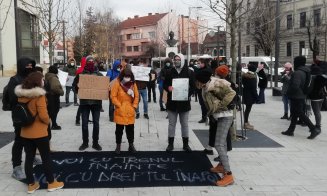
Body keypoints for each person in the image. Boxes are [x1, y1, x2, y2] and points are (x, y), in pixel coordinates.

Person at [15, 72, 64, 193]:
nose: (44, 81)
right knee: (46, 157)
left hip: (25, 132)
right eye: (42, 80)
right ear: (37, 82)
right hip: (39, 133)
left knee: (29, 158)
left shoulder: (21, 95)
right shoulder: (39, 96)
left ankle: (31, 184)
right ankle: (51, 182)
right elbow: (43, 115)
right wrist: (49, 122)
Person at [195, 68, 236, 187]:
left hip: (225, 116)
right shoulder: (205, 86)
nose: (196, 82)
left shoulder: (215, 84)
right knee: (218, 142)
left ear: (201, 80)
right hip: (218, 116)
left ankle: (228, 175)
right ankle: (222, 166)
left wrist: (221, 106)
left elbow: (232, 93)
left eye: (197, 80)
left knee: (219, 144)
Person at [5, 57, 36, 180]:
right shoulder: (14, 80)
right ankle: (16, 167)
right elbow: (13, 98)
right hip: (20, 115)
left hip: (32, 113)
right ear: (21, 66)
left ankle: (32, 157)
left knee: (32, 138)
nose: (29, 68)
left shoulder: (31, 78)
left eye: (31, 65)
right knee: (19, 140)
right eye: (27, 66)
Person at [282, 56, 321, 139]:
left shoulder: (298, 73)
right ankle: (290, 130)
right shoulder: (306, 71)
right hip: (301, 95)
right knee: (295, 113)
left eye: (295, 61)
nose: (294, 63)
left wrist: (288, 92)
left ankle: (313, 129)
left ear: (298, 62)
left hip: (296, 96)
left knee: (299, 113)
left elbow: (295, 85)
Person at [164, 53, 195, 152]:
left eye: (178, 59)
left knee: (184, 124)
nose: (176, 61)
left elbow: (193, 87)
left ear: (182, 60)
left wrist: (187, 94)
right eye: (175, 59)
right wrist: (168, 88)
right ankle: (170, 144)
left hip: (184, 103)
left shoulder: (189, 72)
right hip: (172, 103)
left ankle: (185, 144)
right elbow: (165, 85)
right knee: (171, 124)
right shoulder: (169, 72)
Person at [74, 55, 103, 150]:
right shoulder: (81, 74)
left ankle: (95, 143)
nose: (91, 62)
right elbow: (74, 86)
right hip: (85, 103)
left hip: (96, 103)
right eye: (89, 61)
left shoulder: (99, 74)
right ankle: (85, 143)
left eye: (92, 61)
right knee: (84, 124)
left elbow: (104, 87)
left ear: (94, 62)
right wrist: (78, 87)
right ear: (86, 63)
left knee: (96, 123)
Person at [110, 68, 139, 154]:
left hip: (130, 110)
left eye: (129, 76)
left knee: (130, 130)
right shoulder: (117, 83)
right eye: (126, 76)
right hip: (120, 110)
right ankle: (118, 146)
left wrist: (134, 106)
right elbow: (113, 96)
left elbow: (137, 96)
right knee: (119, 130)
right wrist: (118, 105)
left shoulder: (133, 84)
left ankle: (131, 145)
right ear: (122, 76)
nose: (127, 78)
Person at [308, 64, 327, 132]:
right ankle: (318, 125)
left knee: (316, 112)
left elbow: (310, 88)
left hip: (315, 97)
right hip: (322, 97)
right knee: (318, 112)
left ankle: (318, 126)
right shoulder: (323, 77)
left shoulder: (313, 78)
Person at [45, 65, 64, 130]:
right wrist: (61, 92)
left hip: (49, 96)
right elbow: (55, 87)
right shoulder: (53, 78)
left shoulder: (48, 76)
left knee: (50, 111)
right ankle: (54, 124)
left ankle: (51, 124)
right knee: (54, 111)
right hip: (53, 96)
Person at [242, 64, 258, 130]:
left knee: (247, 109)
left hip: (245, 94)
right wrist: (257, 97)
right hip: (250, 96)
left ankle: (246, 122)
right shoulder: (252, 78)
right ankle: (246, 123)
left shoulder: (244, 76)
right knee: (248, 109)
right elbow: (253, 89)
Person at [195, 58, 211, 123]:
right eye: (197, 63)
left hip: (206, 89)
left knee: (207, 104)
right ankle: (204, 117)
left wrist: (196, 73)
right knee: (202, 103)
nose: (198, 64)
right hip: (200, 89)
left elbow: (197, 76)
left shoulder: (206, 70)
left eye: (199, 63)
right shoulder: (200, 70)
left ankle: (208, 117)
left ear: (203, 63)